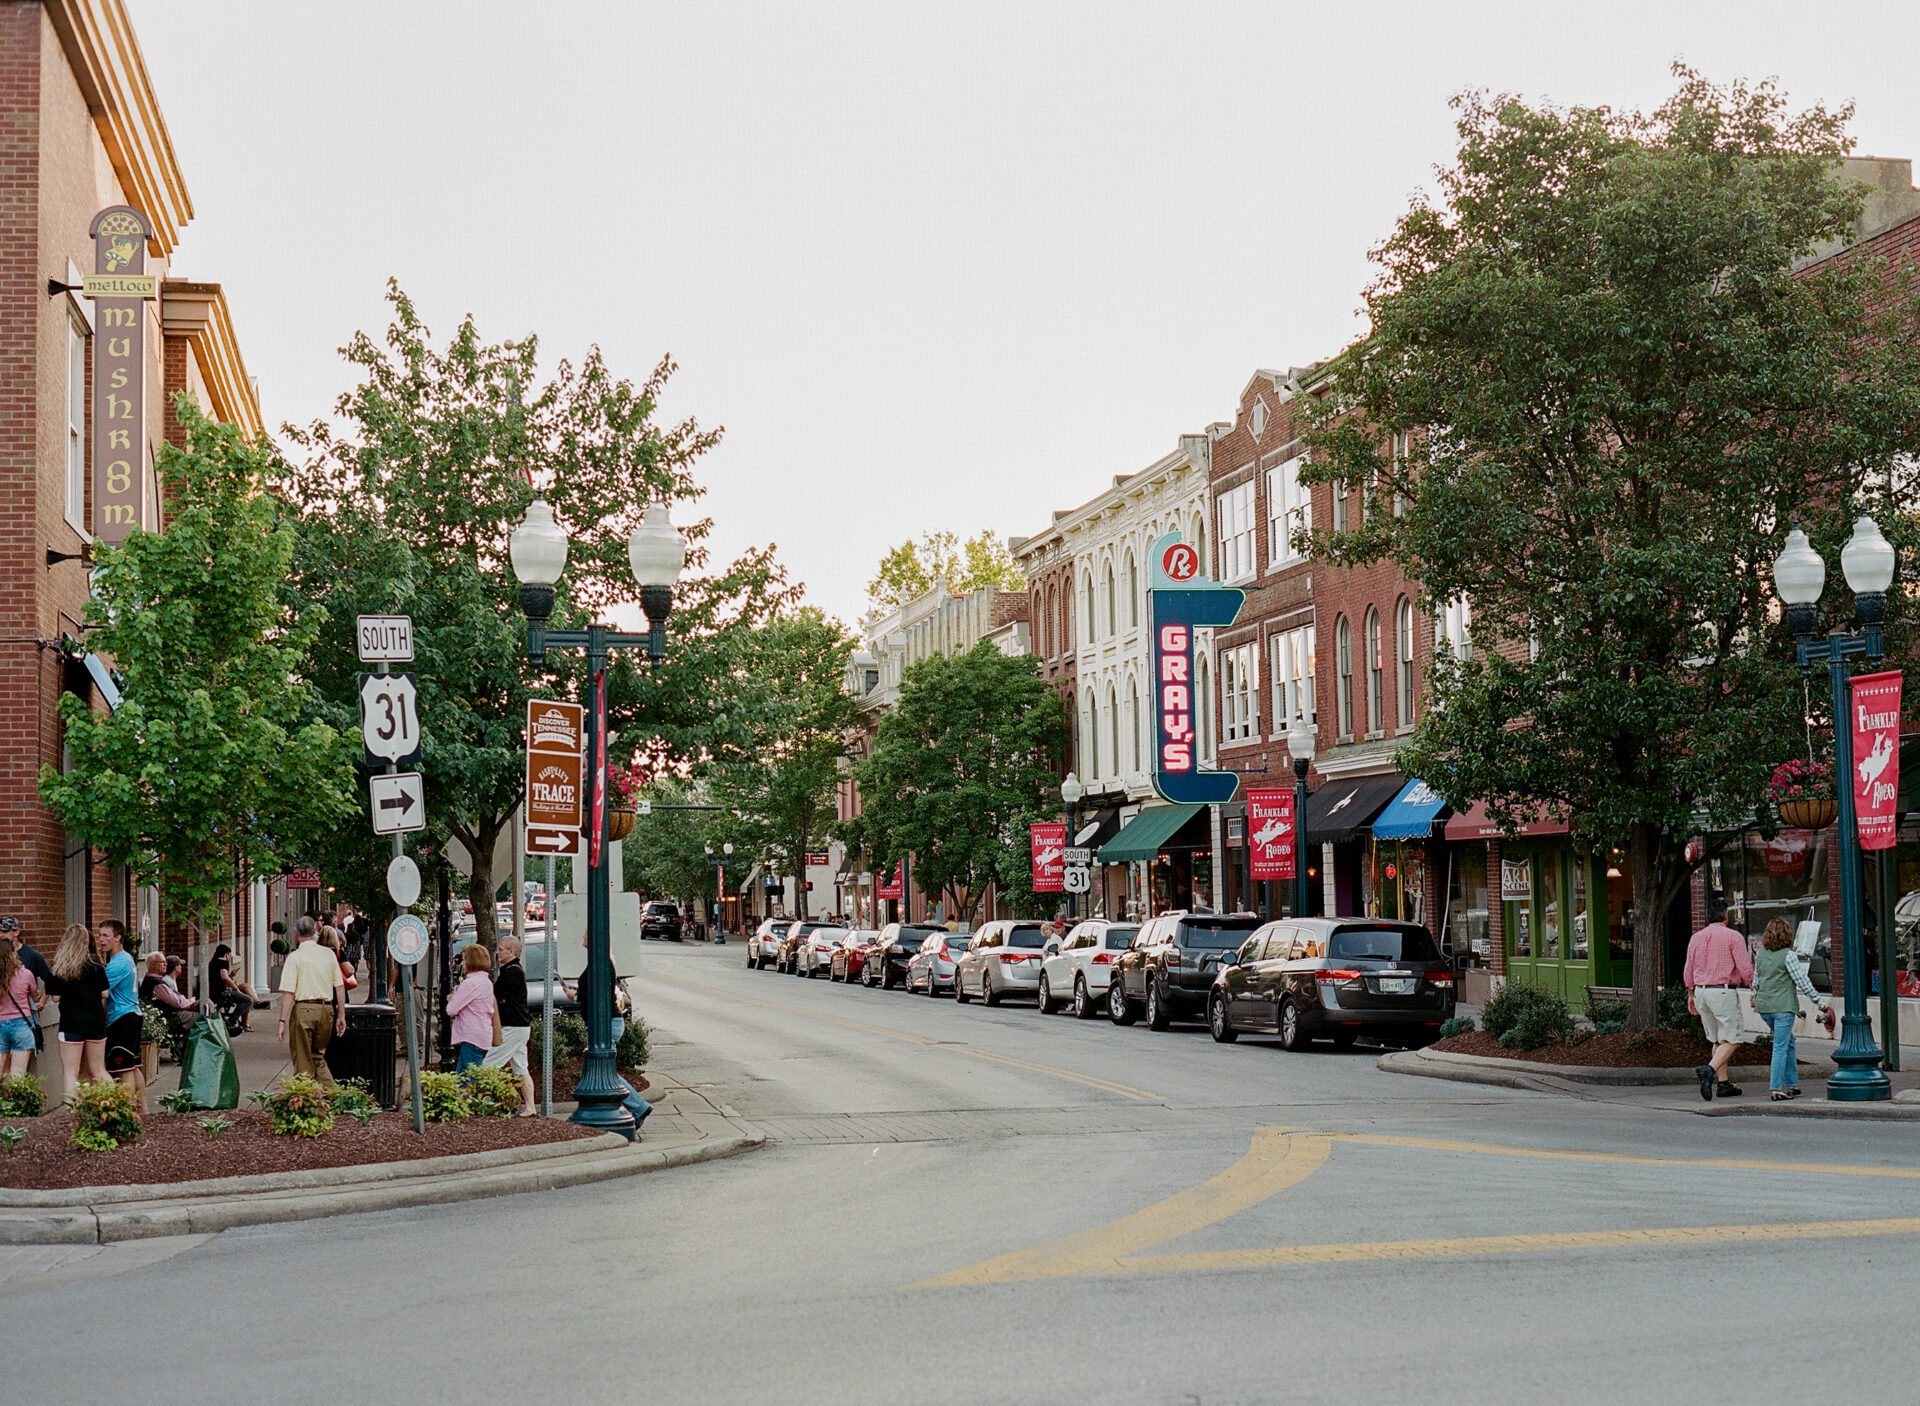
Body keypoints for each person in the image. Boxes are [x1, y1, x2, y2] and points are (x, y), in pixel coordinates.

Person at [1752, 917, 1831, 1102]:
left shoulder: (1761, 954)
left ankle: (1793, 1083)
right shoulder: (1789, 955)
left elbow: (1756, 979)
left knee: (1789, 1042)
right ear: (1787, 935)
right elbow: (1802, 982)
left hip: (1764, 1008)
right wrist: (1819, 1003)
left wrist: (1753, 996)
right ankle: (1776, 1088)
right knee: (1780, 1047)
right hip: (1783, 1007)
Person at [1684, 905, 1754, 1101]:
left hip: (1701, 992)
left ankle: (1723, 1084)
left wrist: (1691, 993)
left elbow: (1688, 967)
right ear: (1726, 917)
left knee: (1716, 1039)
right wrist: (1752, 986)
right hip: (1722, 991)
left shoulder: (1696, 938)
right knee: (1733, 1038)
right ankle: (1710, 1070)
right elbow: (1744, 968)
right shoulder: (1733, 937)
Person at [277, 915, 345, 1087]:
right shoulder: (328, 954)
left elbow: (288, 993)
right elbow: (339, 986)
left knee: (302, 1060)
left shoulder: (295, 957)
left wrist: (282, 1021)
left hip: (303, 1010)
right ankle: (333, 1096)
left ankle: (307, 1101)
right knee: (318, 1057)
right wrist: (341, 1015)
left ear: (296, 933)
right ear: (315, 930)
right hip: (326, 1009)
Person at [45, 921, 107, 1087]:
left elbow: (56, 998)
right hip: (95, 1020)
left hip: (71, 1022)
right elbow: (105, 993)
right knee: (99, 1069)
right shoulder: (95, 965)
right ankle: (114, 1106)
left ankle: (71, 1112)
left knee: (71, 1072)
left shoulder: (58, 967)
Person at [483, 935, 536, 1114]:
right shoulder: (512, 970)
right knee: (521, 1068)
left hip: (513, 1027)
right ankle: (530, 1107)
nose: (498, 952)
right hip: (520, 1026)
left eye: (501, 949)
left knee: (488, 1065)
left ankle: (492, 1103)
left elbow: (493, 993)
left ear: (512, 951)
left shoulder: (512, 972)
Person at [97, 918, 145, 1112]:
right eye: (99, 935)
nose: (101, 940)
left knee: (124, 1068)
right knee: (133, 1066)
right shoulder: (125, 959)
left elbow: (100, 989)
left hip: (122, 1019)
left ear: (118, 938)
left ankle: (129, 1110)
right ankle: (144, 1110)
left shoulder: (118, 963)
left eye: (106, 936)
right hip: (131, 1015)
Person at [446, 943, 497, 1074]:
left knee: (472, 1078)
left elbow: (451, 1009)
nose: (462, 964)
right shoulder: (486, 982)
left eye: (464, 960)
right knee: (462, 1078)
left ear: (471, 961)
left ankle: (484, 1095)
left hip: (471, 1036)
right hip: (482, 1034)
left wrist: (452, 999)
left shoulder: (470, 983)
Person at [0, 932, 44, 1075]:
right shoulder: (25, 974)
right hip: (21, 1024)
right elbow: (35, 996)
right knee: (18, 1075)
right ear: (14, 954)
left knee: (3, 1074)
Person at [140, 953, 198, 1040]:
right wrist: (191, 1001)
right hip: (170, 1017)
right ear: (152, 965)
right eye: (162, 962)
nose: (165, 964)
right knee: (202, 1016)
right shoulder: (156, 983)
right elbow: (178, 1003)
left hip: (172, 1013)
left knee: (205, 1003)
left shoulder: (156, 980)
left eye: (165, 962)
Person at [207, 942, 258, 1032]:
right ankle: (232, 1021)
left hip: (218, 990)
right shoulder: (223, 962)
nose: (230, 957)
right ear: (226, 954)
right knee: (247, 1000)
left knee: (245, 986)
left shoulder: (213, 962)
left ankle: (257, 1002)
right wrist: (235, 987)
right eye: (230, 955)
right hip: (221, 993)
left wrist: (231, 975)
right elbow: (224, 977)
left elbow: (220, 978)